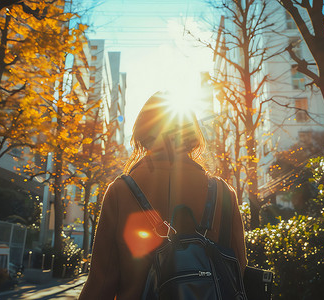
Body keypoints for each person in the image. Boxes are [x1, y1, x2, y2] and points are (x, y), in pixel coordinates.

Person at [79, 92, 247, 299]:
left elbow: (102, 282)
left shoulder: (120, 192)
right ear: (191, 133)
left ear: (143, 131)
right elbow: (238, 268)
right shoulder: (223, 193)